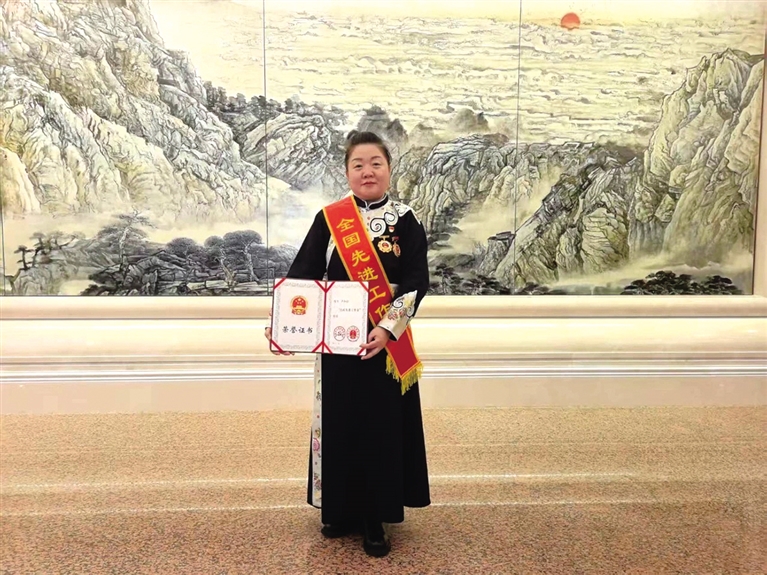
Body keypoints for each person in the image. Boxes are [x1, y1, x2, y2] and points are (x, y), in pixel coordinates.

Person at [264, 131, 431, 558]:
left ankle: (375, 517)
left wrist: (388, 329)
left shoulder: (406, 220)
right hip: (337, 344)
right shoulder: (330, 218)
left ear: (389, 170)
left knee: (379, 428)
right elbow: (302, 275)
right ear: (347, 172)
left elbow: (416, 282)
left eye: (376, 163)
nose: (367, 171)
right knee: (340, 423)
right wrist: (283, 325)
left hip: (384, 344)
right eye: (358, 164)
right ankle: (339, 509)